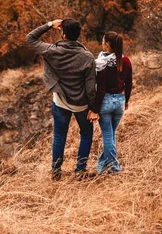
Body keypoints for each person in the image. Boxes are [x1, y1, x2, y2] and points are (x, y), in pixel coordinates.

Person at [26, 19, 97, 180]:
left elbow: (30, 38)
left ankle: (56, 171)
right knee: (86, 134)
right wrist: (93, 107)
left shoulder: (51, 50)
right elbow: (91, 87)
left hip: (60, 101)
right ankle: (80, 170)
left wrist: (50, 24)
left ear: (64, 34)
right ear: (78, 36)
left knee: (59, 136)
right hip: (81, 104)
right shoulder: (87, 57)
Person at [87, 31, 133, 174]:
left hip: (106, 102)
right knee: (111, 134)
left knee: (108, 136)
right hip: (119, 101)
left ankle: (114, 167)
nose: (101, 43)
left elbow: (101, 89)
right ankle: (102, 165)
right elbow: (129, 83)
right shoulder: (126, 61)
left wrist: (95, 109)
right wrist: (126, 101)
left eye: (102, 40)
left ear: (107, 44)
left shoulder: (101, 64)